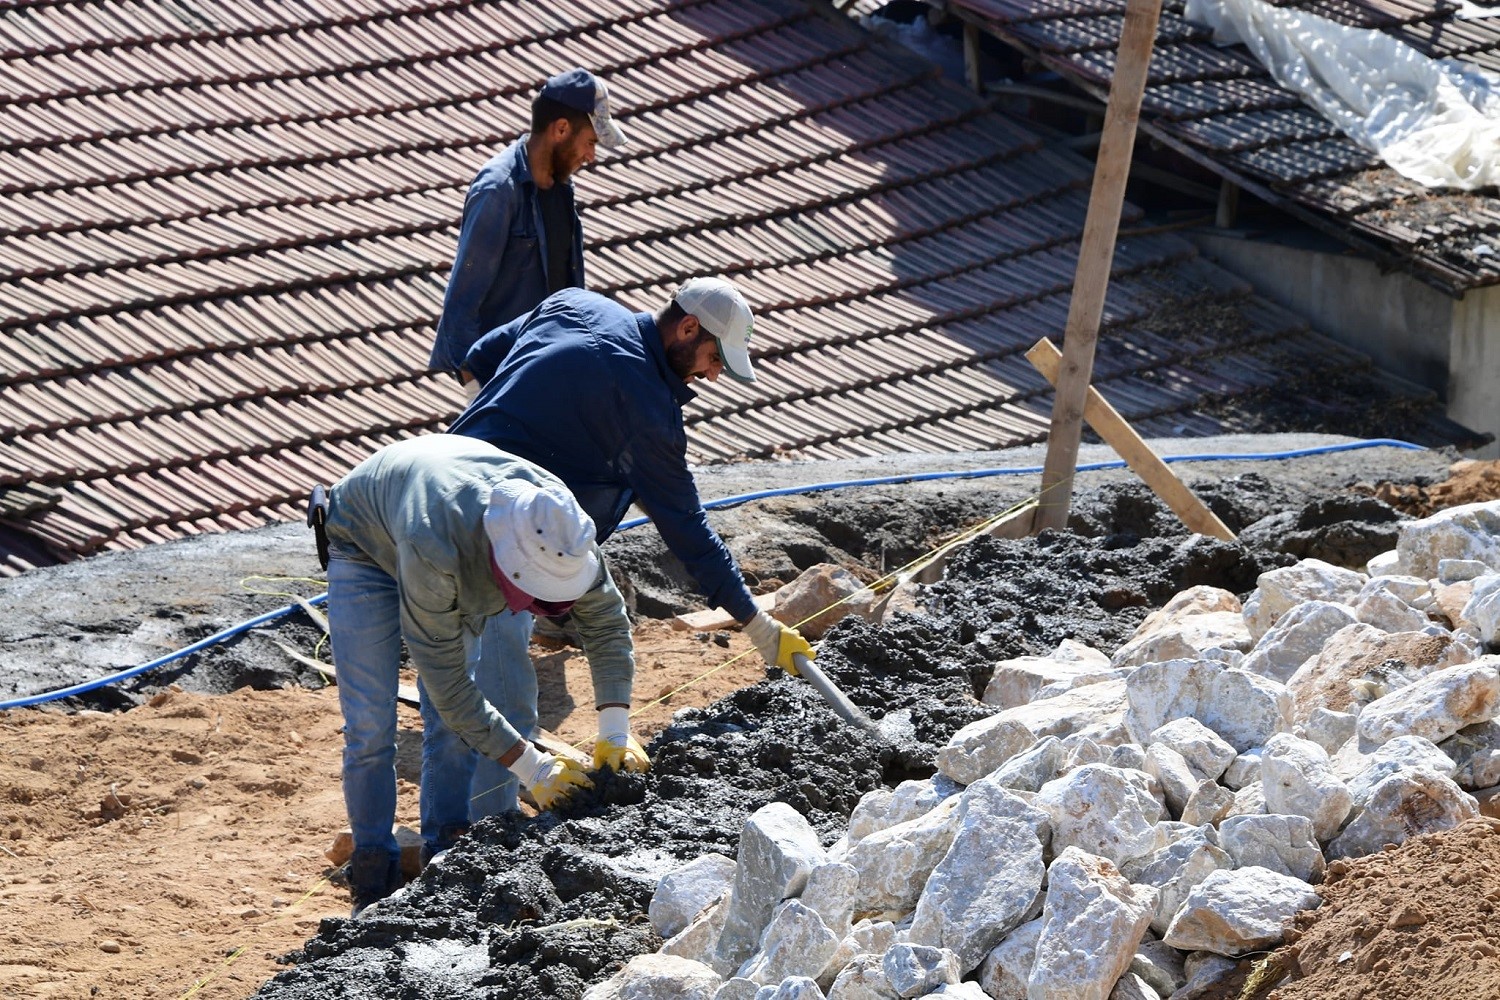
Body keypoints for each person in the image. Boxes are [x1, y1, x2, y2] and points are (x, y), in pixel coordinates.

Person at [448, 278, 815, 746]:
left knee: (454, 664)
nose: (713, 376)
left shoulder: (579, 304)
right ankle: (488, 814)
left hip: (448, 490)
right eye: (715, 358)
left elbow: (479, 356)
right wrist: (756, 622)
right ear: (687, 328)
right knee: (507, 697)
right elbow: (688, 531)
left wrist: (490, 430)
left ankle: (464, 794)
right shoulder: (646, 411)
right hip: (511, 542)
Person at [315, 433, 648, 915]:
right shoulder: (438, 549)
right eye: (540, 599)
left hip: (440, 521)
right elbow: (449, 686)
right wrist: (533, 767)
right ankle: (372, 869)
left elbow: (606, 622)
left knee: (452, 730)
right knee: (370, 724)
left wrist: (615, 729)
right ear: (507, 570)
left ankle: (445, 860)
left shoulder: (557, 523)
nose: (546, 611)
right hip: (364, 544)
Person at [428, 67, 626, 383]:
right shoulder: (498, 190)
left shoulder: (561, 187)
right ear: (561, 129)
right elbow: (463, 299)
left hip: (548, 372)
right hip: (501, 377)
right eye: (590, 142)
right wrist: (476, 388)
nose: (591, 156)